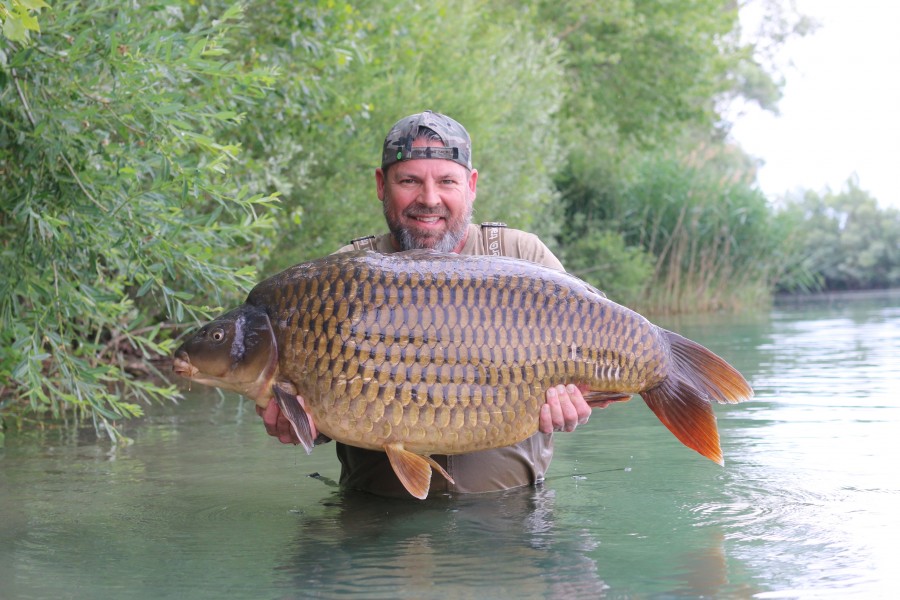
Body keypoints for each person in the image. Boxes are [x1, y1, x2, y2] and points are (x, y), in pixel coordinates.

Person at [257, 110, 594, 497]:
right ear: (382, 185)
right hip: (374, 525)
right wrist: (298, 425)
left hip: (511, 522)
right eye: (410, 181)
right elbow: (325, 414)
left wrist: (574, 407)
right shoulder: (342, 278)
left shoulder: (523, 256)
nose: (429, 199)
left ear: (471, 185)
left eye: (446, 181)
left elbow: (586, 367)